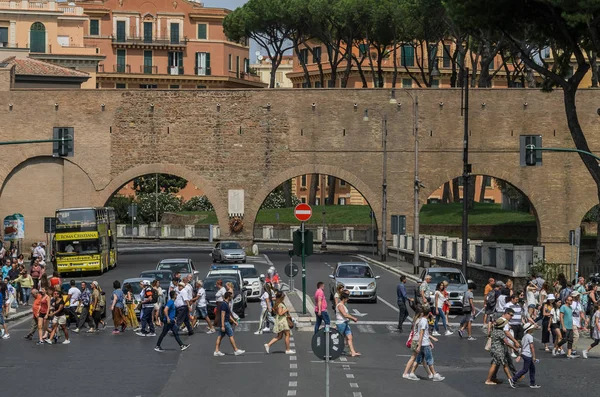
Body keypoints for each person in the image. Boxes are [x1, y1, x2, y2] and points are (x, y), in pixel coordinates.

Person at [406, 304, 444, 381]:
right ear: (429, 313)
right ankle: (434, 375)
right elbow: (422, 333)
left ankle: (412, 373)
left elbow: (424, 333)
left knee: (418, 359)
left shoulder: (421, 320)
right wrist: (420, 345)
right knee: (430, 359)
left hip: (423, 343)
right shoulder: (424, 321)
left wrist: (429, 341)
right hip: (424, 344)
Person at [485, 317, 518, 385]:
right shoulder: (501, 332)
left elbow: (489, 335)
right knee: (504, 364)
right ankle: (510, 379)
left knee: (495, 364)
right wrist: (514, 348)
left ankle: (492, 378)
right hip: (499, 350)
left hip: (494, 349)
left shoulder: (493, 331)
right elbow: (507, 343)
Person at [509, 323, 540, 389]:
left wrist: (520, 355)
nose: (533, 329)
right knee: (525, 370)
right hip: (528, 355)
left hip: (524, 354)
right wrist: (534, 356)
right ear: (530, 329)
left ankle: (532, 383)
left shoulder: (524, 336)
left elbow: (522, 347)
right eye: (532, 328)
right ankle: (513, 379)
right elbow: (532, 347)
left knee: (532, 369)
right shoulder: (530, 336)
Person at [264, 290, 296, 354]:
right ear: (281, 297)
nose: (284, 297)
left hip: (280, 321)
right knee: (287, 334)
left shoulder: (277, 303)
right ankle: (288, 349)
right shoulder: (280, 304)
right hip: (283, 321)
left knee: (279, 336)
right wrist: (286, 309)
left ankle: (268, 345)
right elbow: (280, 313)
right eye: (283, 296)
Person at [214, 291, 244, 356]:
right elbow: (223, 315)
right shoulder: (224, 305)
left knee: (220, 336)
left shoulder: (226, 304)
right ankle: (236, 350)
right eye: (230, 297)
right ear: (228, 297)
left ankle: (216, 351)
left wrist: (234, 321)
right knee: (231, 335)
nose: (231, 298)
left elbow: (228, 315)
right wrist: (222, 325)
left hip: (225, 322)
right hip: (225, 322)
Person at [333, 292, 360, 357]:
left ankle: (353, 352)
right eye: (347, 298)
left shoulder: (343, 305)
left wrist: (351, 318)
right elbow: (345, 314)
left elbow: (346, 314)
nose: (348, 299)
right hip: (341, 323)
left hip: (345, 323)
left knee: (349, 337)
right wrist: (353, 318)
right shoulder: (340, 305)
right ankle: (334, 350)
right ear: (344, 299)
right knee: (339, 338)